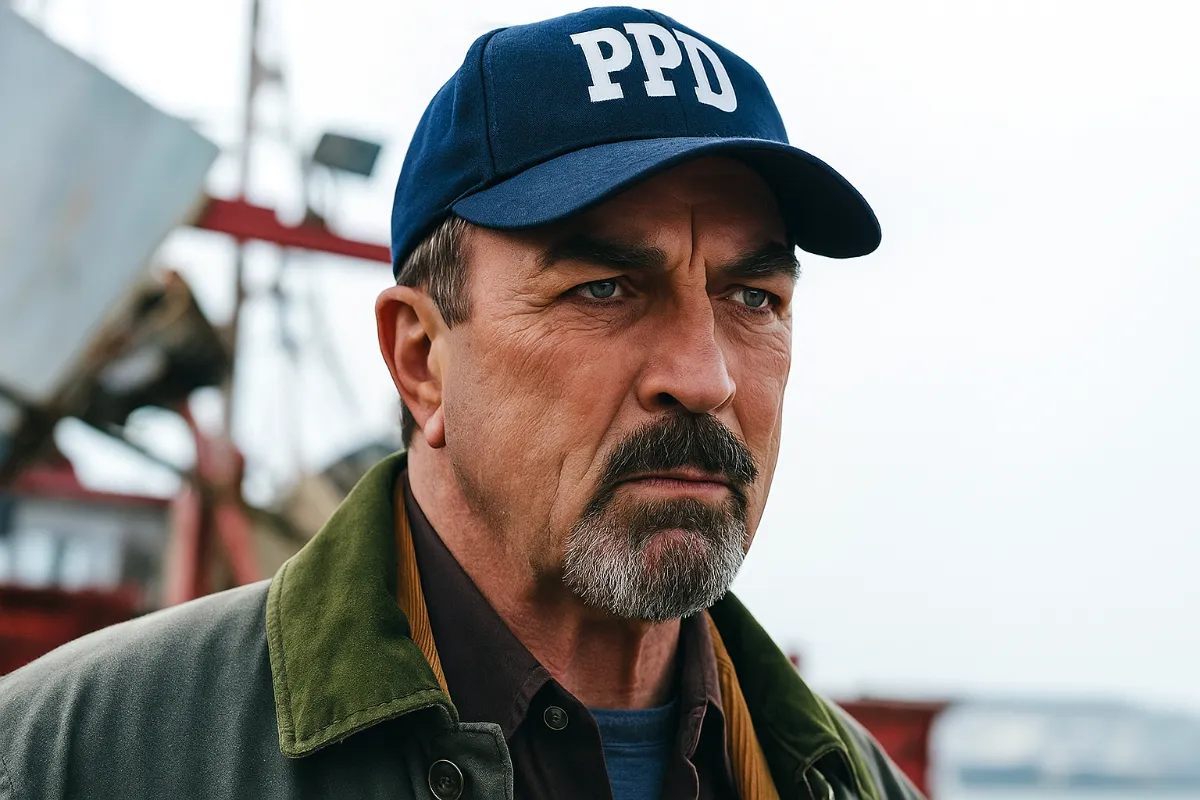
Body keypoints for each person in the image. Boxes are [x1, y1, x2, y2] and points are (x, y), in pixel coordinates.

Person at [0, 7, 922, 800]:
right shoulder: (71, 758)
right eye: (603, 289)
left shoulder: (854, 783)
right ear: (421, 360)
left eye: (754, 298)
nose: (705, 376)